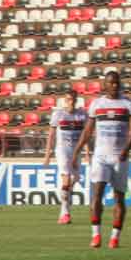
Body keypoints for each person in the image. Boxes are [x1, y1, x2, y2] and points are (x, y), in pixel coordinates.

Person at [72, 70, 131, 248]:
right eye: (111, 83)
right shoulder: (96, 104)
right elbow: (87, 131)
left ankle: (115, 237)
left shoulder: (129, 104)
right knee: (97, 194)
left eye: (117, 83)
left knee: (119, 199)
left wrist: (126, 150)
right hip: (100, 157)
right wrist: (76, 151)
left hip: (120, 157)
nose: (115, 86)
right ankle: (96, 235)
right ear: (105, 84)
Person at [43, 90, 88, 224]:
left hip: (76, 151)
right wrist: (47, 155)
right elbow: (51, 135)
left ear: (76, 100)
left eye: (73, 99)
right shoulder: (58, 114)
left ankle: (65, 208)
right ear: (65, 100)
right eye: (68, 99)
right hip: (62, 150)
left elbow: (85, 135)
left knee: (74, 180)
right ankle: (65, 213)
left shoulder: (82, 115)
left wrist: (87, 153)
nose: (71, 102)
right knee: (67, 180)